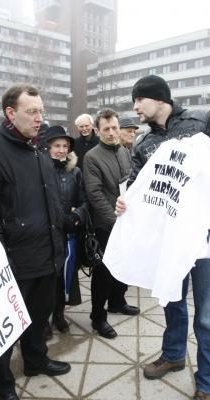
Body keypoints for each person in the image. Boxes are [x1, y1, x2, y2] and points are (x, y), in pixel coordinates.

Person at [118, 75, 210, 400]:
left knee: (208, 312)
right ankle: (173, 355)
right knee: (172, 300)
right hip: (167, 238)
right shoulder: (144, 142)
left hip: (204, 238)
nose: (134, 107)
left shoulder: (202, 119)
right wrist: (125, 200)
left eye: (138, 100)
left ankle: (208, 382)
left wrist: (193, 158)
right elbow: (136, 184)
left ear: (159, 98)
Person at [0, 84, 71, 400]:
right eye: (32, 111)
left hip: (46, 255)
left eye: (41, 111)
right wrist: (0, 262)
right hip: (13, 260)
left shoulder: (39, 150)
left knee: (38, 317)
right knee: (5, 328)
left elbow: (51, 202)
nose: (40, 118)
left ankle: (36, 362)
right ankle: (2, 384)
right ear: (11, 113)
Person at [83, 108, 139, 339]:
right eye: (106, 129)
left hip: (126, 222)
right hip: (106, 225)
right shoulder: (92, 157)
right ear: (97, 131)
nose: (112, 133)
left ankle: (117, 301)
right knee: (104, 273)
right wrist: (114, 221)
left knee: (123, 267)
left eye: (115, 128)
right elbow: (95, 195)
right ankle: (98, 317)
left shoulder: (124, 151)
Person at [45, 125, 87, 334]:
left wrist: (77, 217)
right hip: (45, 235)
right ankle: (43, 320)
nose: (61, 150)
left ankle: (59, 314)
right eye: (57, 146)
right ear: (48, 147)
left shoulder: (75, 171)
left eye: (65, 146)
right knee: (45, 279)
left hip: (68, 233)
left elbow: (84, 200)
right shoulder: (41, 169)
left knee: (64, 276)